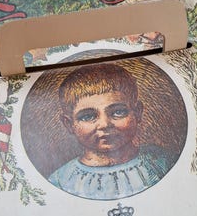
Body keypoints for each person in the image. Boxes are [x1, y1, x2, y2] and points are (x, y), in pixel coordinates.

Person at [48, 63, 176, 199]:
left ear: (137, 112)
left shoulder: (164, 163)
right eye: (88, 116)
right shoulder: (61, 181)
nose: (104, 124)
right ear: (69, 124)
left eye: (118, 112)